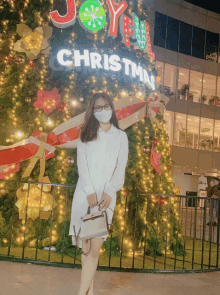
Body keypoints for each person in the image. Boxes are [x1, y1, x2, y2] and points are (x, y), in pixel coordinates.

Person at [68, 92, 129, 295]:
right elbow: (82, 166)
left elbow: (120, 168)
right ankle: (88, 293)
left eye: (105, 106)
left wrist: (110, 190)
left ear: (111, 108)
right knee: (85, 249)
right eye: (97, 108)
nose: (102, 110)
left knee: (95, 248)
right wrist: (89, 191)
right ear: (92, 112)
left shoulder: (121, 137)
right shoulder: (85, 135)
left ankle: (81, 293)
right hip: (84, 196)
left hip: (105, 199)